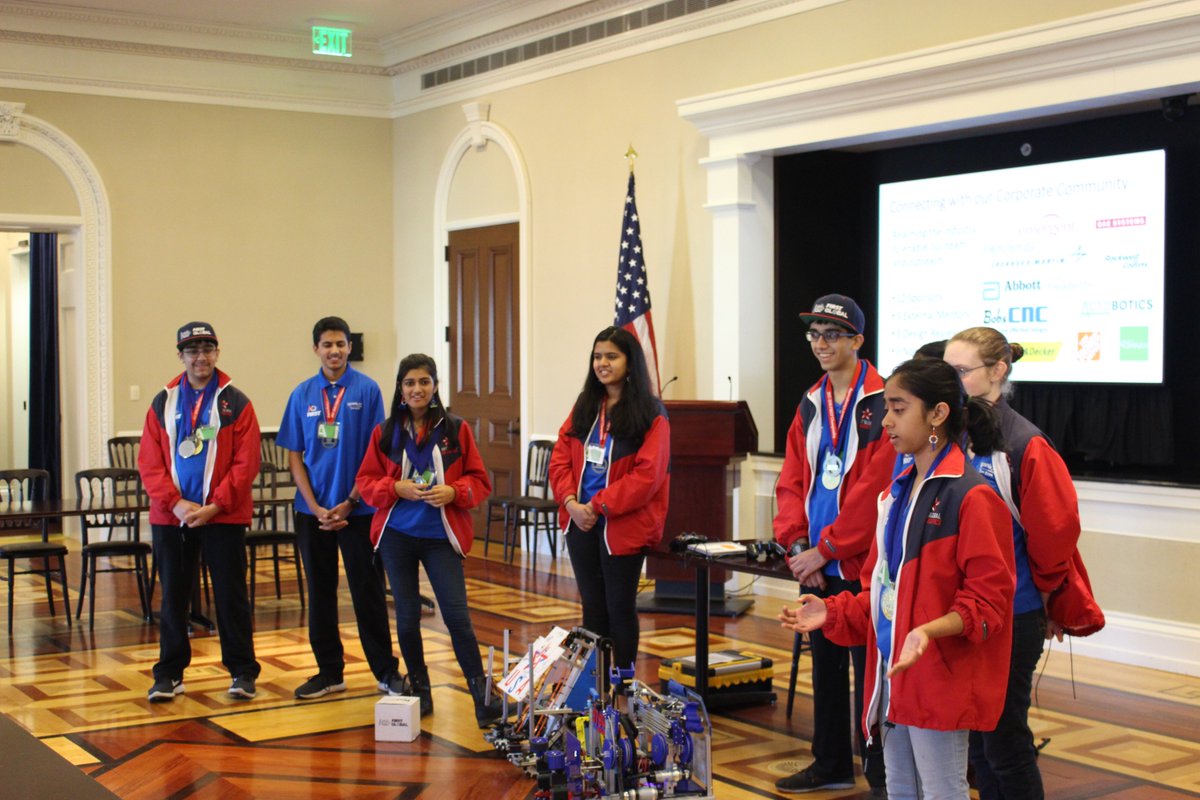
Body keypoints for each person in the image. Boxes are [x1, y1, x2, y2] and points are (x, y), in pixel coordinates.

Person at [780, 357, 1016, 800]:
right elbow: (882, 592)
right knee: (900, 788)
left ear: (938, 414)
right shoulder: (896, 493)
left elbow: (988, 604)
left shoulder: (973, 498)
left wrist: (927, 631)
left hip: (938, 675)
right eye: (886, 407)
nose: (886, 420)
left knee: (942, 790)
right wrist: (832, 612)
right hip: (892, 670)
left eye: (898, 408)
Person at [945, 326, 1097, 800]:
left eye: (961, 371)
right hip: (966, 611)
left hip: (1016, 611)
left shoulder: (1025, 443)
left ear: (997, 371)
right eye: (946, 371)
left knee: (1004, 742)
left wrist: (1045, 597)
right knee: (977, 741)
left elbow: (1054, 532)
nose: (951, 381)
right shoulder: (951, 436)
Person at [772, 294, 892, 794]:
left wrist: (829, 549)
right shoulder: (811, 401)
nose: (821, 343)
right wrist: (800, 546)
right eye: (815, 334)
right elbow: (792, 478)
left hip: (860, 563)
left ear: (857, 340)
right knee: (824, 667)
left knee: (870, 674)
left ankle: (881, 774)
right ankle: (831, 765)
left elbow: (873, 489)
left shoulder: (885, 401)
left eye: (832, 334)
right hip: (815, 563)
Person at [355, 353, 501, 727]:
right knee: (406, 618)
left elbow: (480, 481)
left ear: (435, 386)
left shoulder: (457, 430)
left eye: (424, 381)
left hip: (441, 538)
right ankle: (420, 690)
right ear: (400, 389)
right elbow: (365, 482)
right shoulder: (384, 433)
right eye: (409, 383)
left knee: (457, 617)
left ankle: (483, 699)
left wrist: (455, 491)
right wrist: (395, 487)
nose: (417, 389)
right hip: (397, 537)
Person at [276, 316, 404, 700]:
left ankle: (385, 671)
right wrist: (315, 506)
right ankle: (329, 672)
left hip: (358, 512)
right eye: (327, 345)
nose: (334, 351)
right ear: (316, 349)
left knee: (367, 591)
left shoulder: (367, 390)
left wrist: (350, 501)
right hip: (312, 513)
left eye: (341, 344)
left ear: (350, 347)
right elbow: (294, 456)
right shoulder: (301, 394)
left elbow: (376, 453)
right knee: (320, 593)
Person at [138, 321, 262, 702]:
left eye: (207, 349)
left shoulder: (235, 402)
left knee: (230, 595)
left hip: (222, 516)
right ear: (181, 356)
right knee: (174, 597)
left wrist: (214, 506)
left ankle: (242, 672)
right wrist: (175, 503)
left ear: (217, 353)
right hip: (171, 516)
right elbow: (149, 463)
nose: (200, 357)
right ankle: (169, 674)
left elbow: (246, 462)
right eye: (192, 351)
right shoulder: (163, 402)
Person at [549, 326, 670, 672]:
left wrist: (598, 504)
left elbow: (648, 476)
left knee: (619, 606)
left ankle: (624, 681)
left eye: (611, 356)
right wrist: (571, 503)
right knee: (592, 606)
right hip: (580, 522)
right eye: (597, 356)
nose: (602, 363)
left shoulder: (651, 412)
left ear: (630, 363)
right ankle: (597, 682)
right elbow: (560, 459)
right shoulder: (585, 406)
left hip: (622, 525)